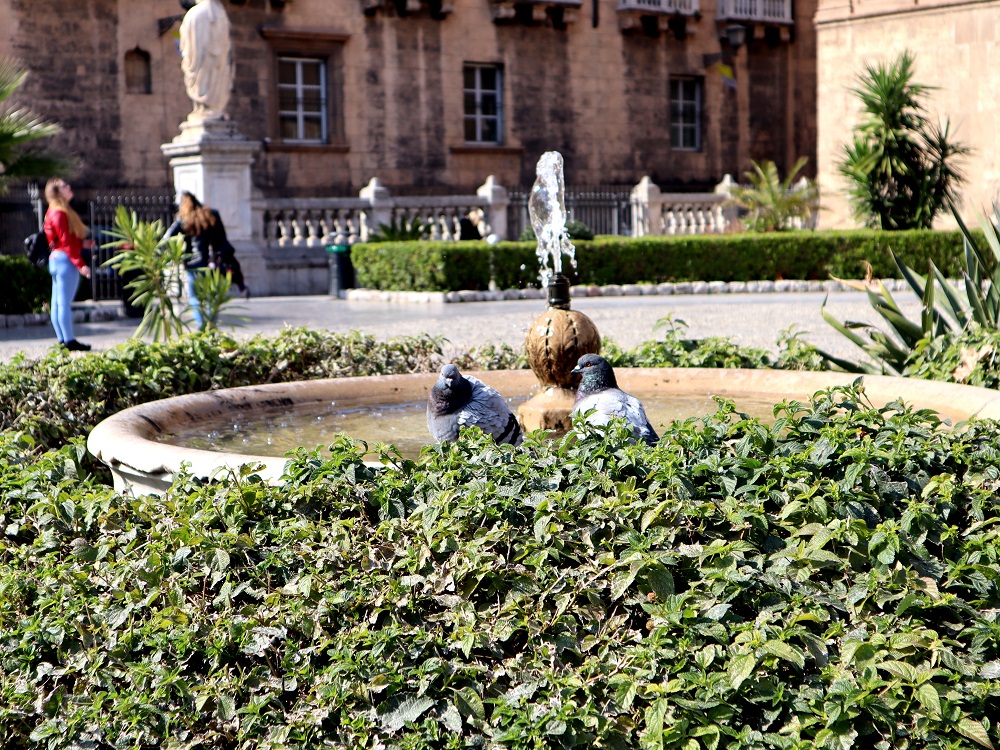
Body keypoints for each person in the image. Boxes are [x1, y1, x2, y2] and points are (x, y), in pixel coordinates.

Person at [164, 191, 249, 330]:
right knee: (212, 297)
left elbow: (166, 238)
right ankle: (211, 326)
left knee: (194, 298)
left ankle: (200, 326)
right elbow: (222, 241)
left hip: (192, 265)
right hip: (211, 264)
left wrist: (176, 254)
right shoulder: (212, 215)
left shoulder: (184, 219)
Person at [43, 179, 93, 351]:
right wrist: (81, 264)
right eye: (65, 186)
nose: (69, 188)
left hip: (57, 258)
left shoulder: (53, 212)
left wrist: (81, 245)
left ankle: (63, 339)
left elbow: (62, 240)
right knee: (63, 303)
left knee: (58, 302)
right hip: (65, 260)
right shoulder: (59, 213)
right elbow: (65, 242)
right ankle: (68, 340)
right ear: (57, 192)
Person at [179, 0, 234, 120]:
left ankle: (206, 107)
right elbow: (228, 48)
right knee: (212, 76)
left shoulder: (195, 14)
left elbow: (185, 47)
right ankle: (211, 107)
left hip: (207, 65)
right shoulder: (220, 13)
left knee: (206, 77)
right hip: (215, 66)